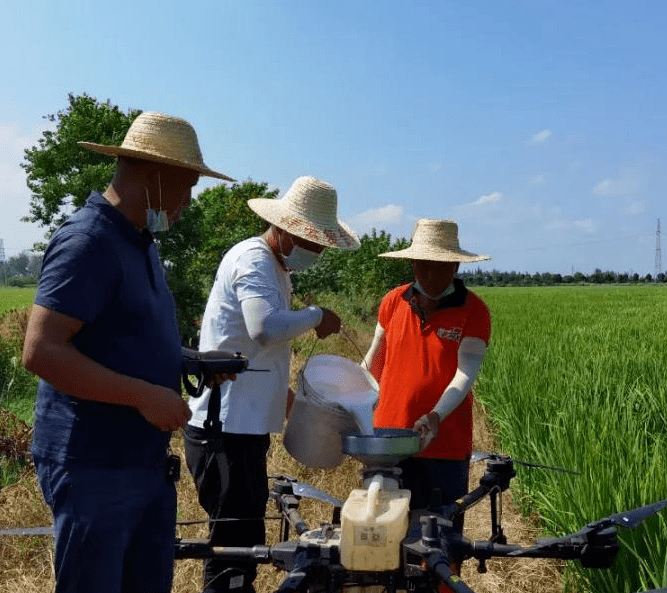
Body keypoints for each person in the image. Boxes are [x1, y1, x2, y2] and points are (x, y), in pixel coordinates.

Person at [22, 112, 234, 593]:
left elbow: (120, 336)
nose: (187, 202)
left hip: (138, 464)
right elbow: (41, 351)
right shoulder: (89, 241)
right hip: (95, 466)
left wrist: (186, 361)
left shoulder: (140, 242)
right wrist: (143, 395)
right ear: (155, 177)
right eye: (186, 188)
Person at [184, 175, 360, 593]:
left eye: (321, 245)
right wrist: (316, 316)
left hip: (245, 431)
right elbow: (263, 329)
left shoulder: (278, 269)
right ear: (284, 229)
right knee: (231, 550)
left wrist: (295, 406)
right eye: (312, 241)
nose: (315, 251)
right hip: (223, 431)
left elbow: (259, 356)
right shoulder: (254, 259)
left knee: (245, 542)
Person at [362, 218, 491, 534]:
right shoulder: (393, 301)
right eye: (422, 264)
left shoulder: (474, 311)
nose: (430, 273)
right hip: (387, 445)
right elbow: (373, 364)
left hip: (443, 447)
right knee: (381, 539)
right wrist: (346, 396)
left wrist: (436, 415)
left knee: (437, 544)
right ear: (411, 262)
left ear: (456, 266)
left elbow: (465, 373)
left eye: (440, 265)